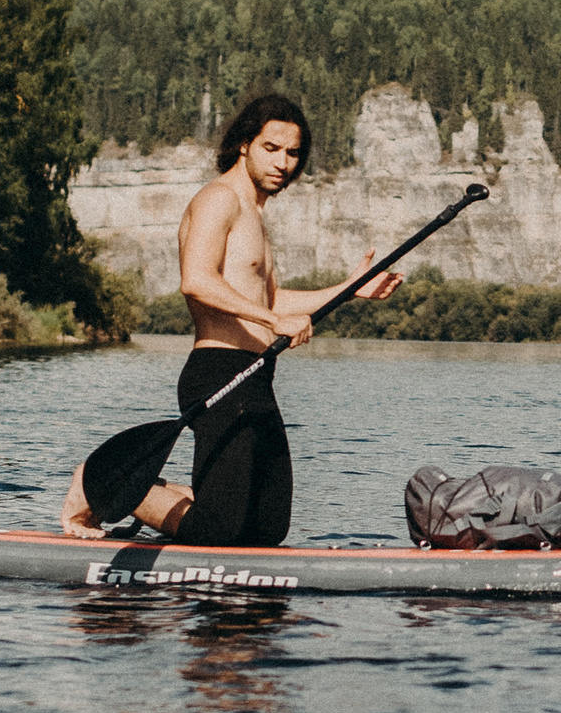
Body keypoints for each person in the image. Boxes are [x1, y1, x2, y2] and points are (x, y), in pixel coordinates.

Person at [151, 90, 399, 549]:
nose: (283, 162)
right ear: (244, 144)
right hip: (218, 371)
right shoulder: (218, 199)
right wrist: (270, 318)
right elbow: (197, 281)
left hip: (257, 376)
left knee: (267, 528)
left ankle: (178, 494)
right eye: (271, 148)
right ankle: (104, 481)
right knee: (219, 530)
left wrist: (350, 289)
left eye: (293, 153)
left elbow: (273, 300)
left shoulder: (255, 217)